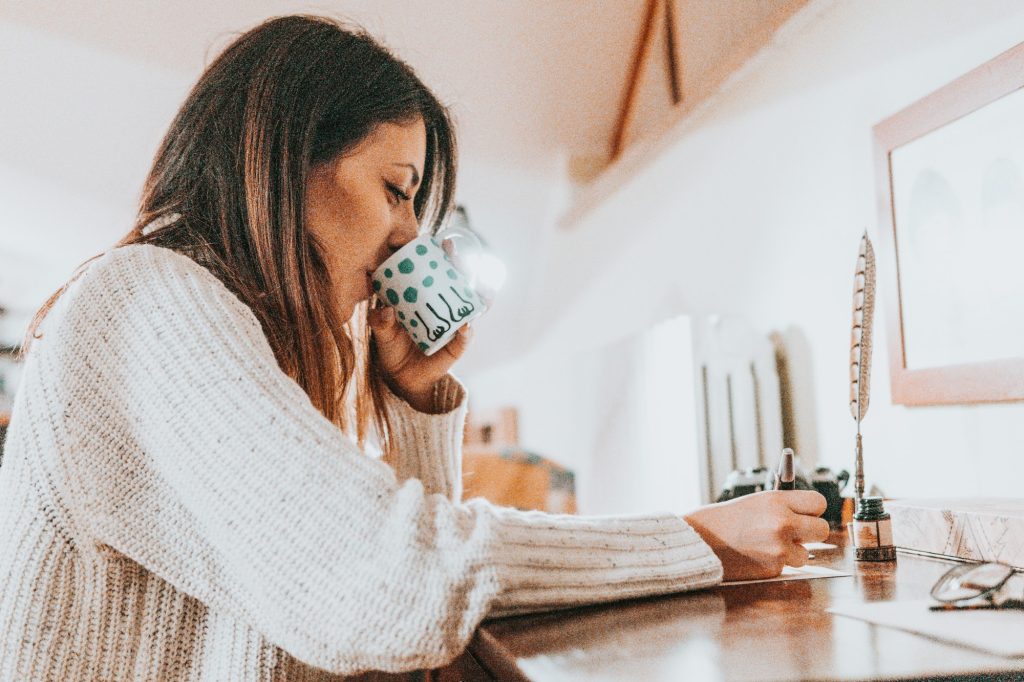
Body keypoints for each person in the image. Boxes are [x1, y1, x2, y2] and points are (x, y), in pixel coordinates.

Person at [0, 15, 829, 681]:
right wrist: (699, 542)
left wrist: (415, 402)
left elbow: (414, 637)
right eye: (396, 188)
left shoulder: (236, 333)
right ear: (288, 157)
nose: (407, 236)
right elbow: (393, 584)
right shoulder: (146, 298)